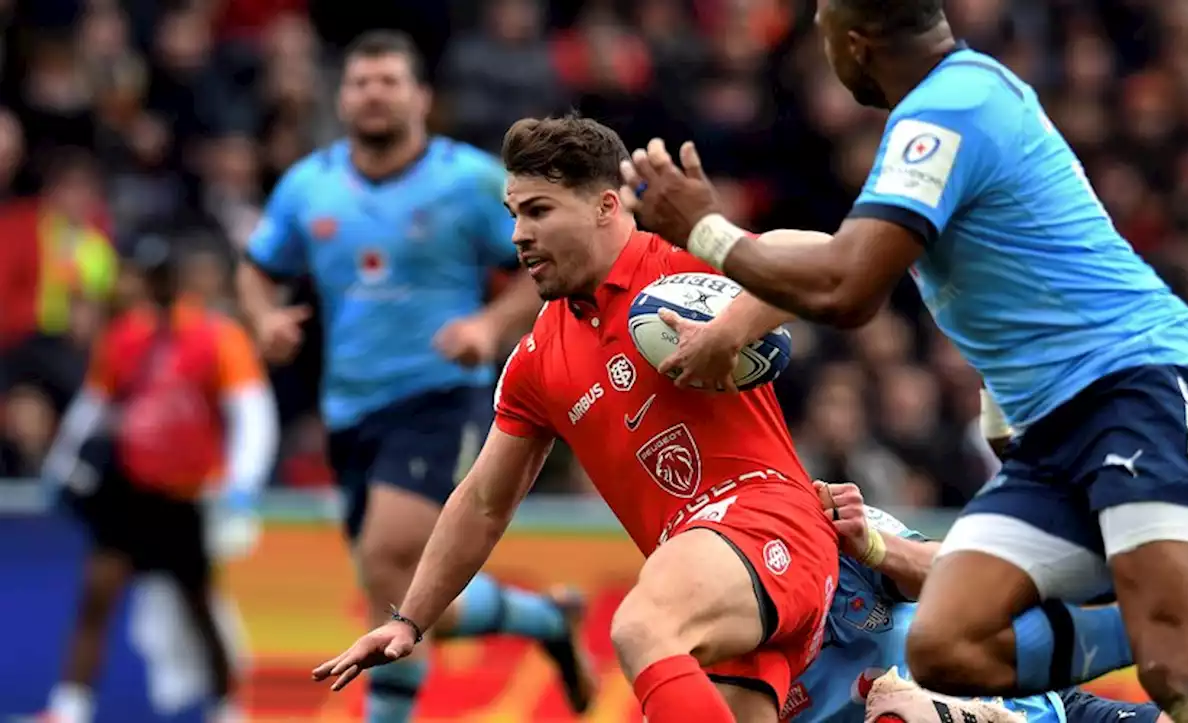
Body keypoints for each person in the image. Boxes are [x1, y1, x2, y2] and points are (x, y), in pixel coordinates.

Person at [616, 0, 1188, 719]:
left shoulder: (950, 110)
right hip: (1053, 437)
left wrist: (706, 231)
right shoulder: (947, 111)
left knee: (1179, 669)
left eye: (821, 36)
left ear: (854, 41)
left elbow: (847, 287)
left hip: (1135, 387)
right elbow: (890, 268)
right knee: (947, 645)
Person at [312, 114, 841, 723]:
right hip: (715, 588)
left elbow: (829, 259)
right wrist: (409, 620)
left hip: (768, 523)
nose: (517, 235)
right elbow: (483, 501)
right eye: (513, 214)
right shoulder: (537, 360)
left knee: (643, 624)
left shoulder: (678, 265)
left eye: (538, 211)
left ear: (605, 206)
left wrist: (733, 327)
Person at [236, 31, 594, 720]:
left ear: (422, 98)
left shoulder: (471, 181)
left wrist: (489, 327)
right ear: (342, 98)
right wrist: (261, 318)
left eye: (389, 81)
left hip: (439, 394)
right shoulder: (308, 185)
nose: (373, 93)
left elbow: (543, 258)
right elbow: (256, 266)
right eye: (361, 82)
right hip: (348, 409)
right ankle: (544, 619)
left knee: (388, 555)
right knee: (402, 590)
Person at [796, 479, 1188, 723]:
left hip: (1032, 701)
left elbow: (945, 572)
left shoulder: (813, 518)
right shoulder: (729, 656)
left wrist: (875, 547)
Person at [40, 234, 278, 723]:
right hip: (129, 490)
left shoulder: (215, 336)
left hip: (182, 494)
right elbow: (95, 407)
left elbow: (251, 412)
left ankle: (226, 707)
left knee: (199, 606)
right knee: (98, 594)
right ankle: (70, 706)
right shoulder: (126, 336)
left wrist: (242, 483)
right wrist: (61, 464)